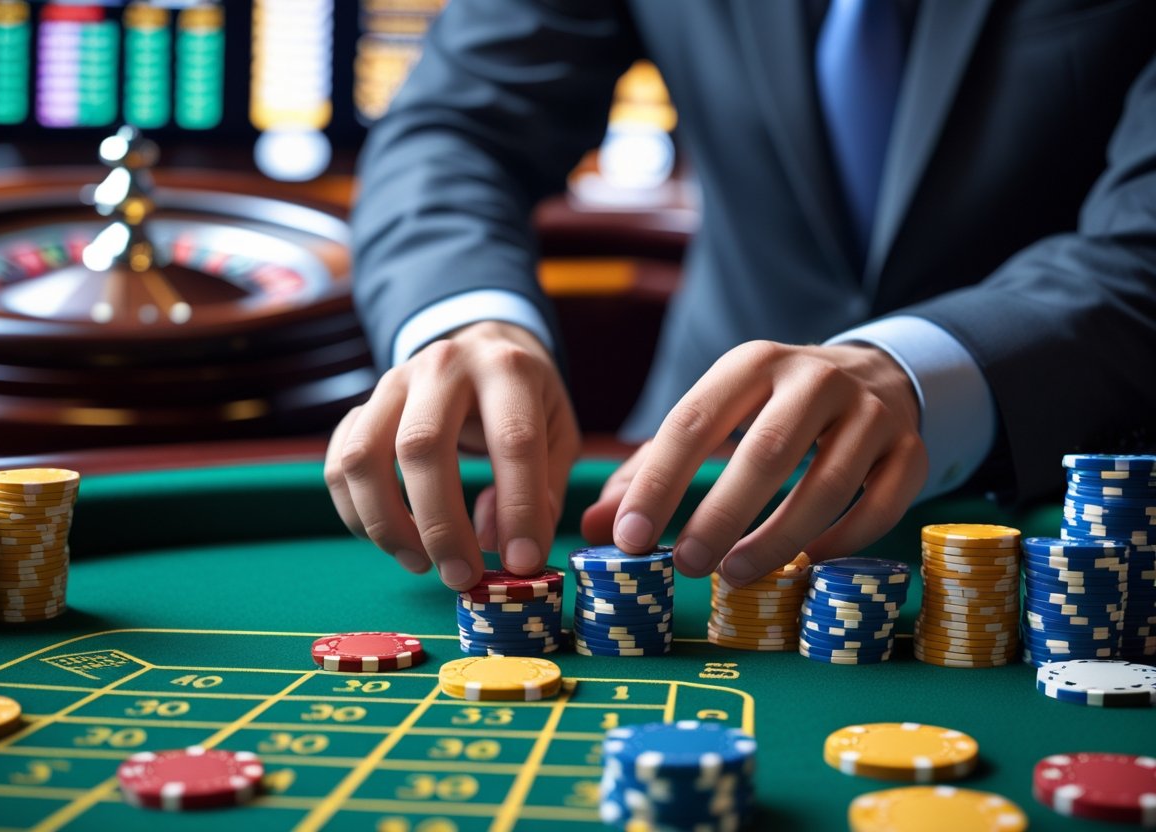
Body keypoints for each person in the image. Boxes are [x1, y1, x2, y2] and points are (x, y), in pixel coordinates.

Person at [324, 0, 1156, 591]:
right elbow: (459, 127)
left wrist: (914, 367)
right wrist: (469, 315)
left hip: (1063, 466)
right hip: (684, 469)